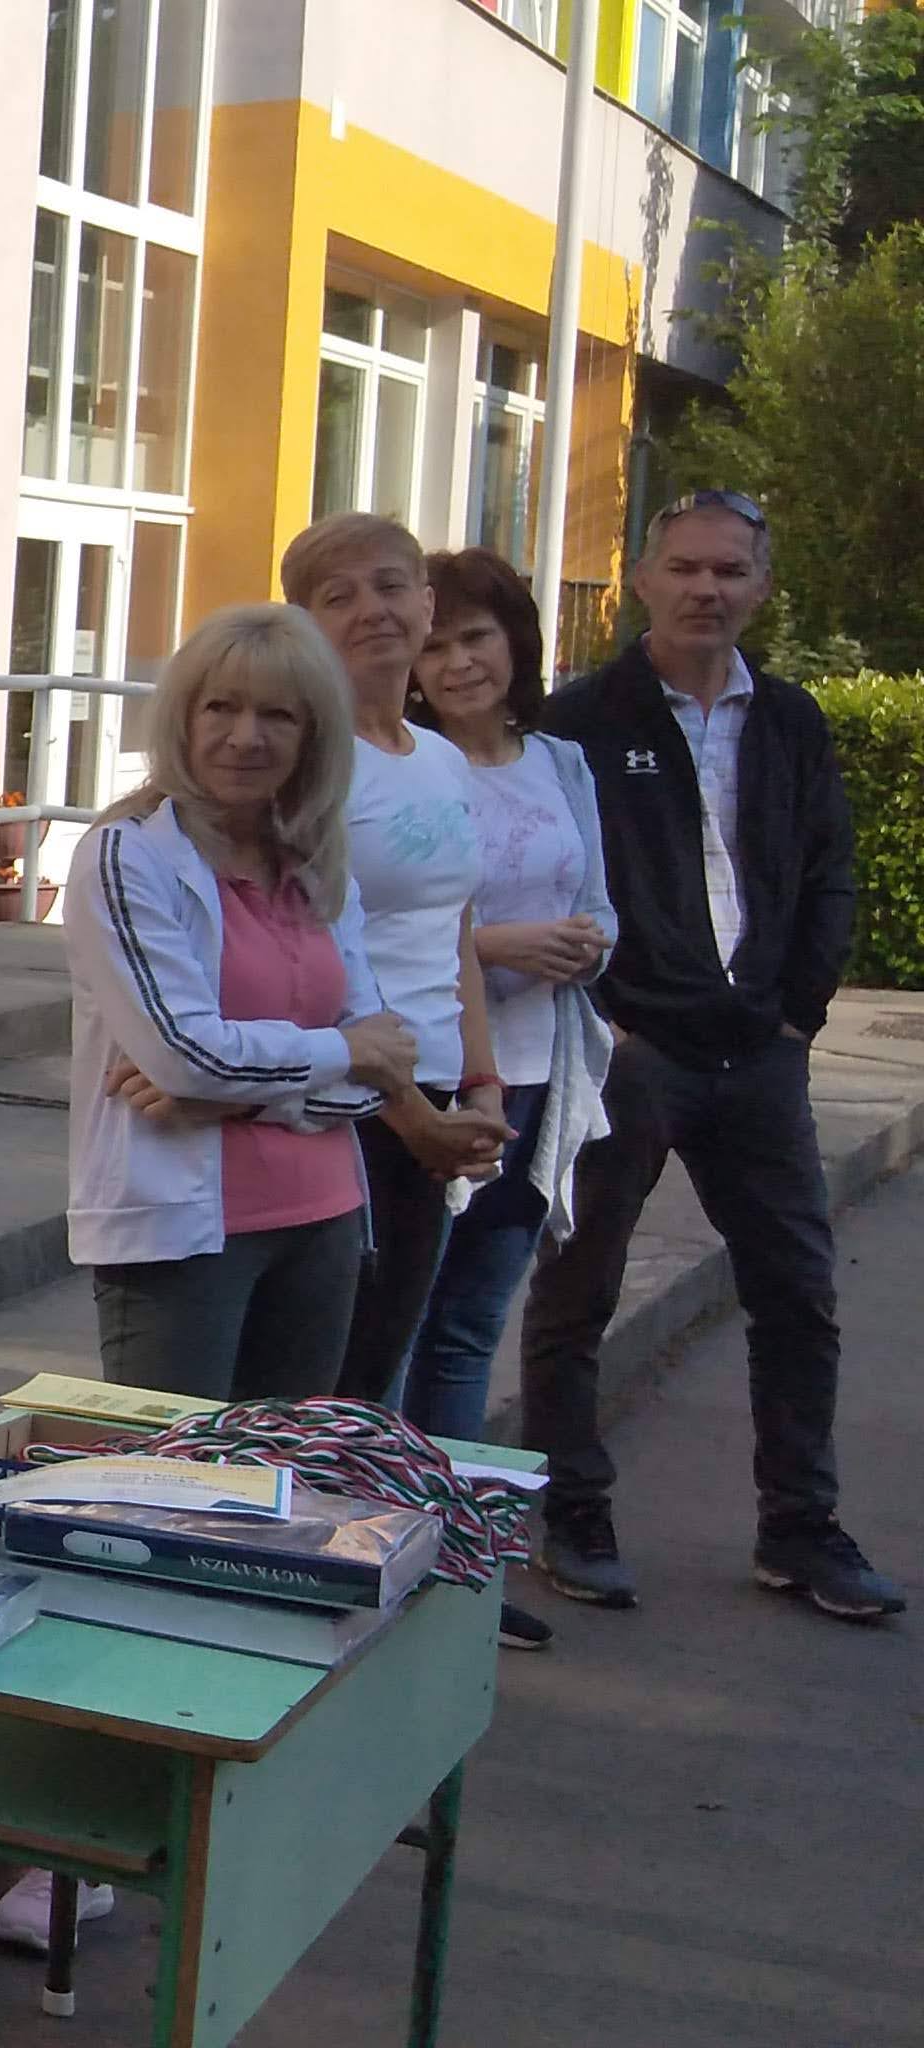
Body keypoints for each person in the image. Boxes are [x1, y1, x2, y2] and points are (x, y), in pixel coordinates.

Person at [13, 603, 420, 1952]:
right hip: (182, 1238)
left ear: (314, 735)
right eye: (220, 707)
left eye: (277, 714)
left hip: (319, 1222)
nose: (244, 736)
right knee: (147, 1531)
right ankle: (64, 1850)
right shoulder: (128, 853)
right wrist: (320, 1061)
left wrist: (263, 1077)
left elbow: (385, 1049)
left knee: (269, 1530)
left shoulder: (311, 861)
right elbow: (184, 1057)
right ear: (182, 716)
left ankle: (210, 1809)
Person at [516, 489, 903, 1623]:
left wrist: (797, 1015)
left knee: (797, 1295)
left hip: (758, 1057)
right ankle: (572, 1514)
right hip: (629, 1052)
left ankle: (799, 1527)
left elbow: (828, 869)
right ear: (641, 579)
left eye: (729, 570)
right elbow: (544, 875)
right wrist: (610, 1019)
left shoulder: (788, 720)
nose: (705, 589)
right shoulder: (578, 722)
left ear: (760, 588)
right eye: (684, 567)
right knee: (577, 1294)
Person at [382, 552, 612, 1646]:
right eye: (434, 645)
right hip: (434, 1079)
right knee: (401, 1320)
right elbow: (383, 927)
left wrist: (588, 944)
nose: (457, 662)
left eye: (475, 637)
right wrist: (502, 945)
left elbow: (599, 902)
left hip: (540, 1076)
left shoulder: (561, 762)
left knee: (472, 1326)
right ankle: (378, 1545)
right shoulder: (407, 766)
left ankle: (458, 1560)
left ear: (515, 641)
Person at [280, 515, 516, 1415]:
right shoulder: (307, 764)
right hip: (347, 1109)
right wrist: (411, 1116)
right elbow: (305, 958)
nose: (371, 610)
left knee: (380, 1377)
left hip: (437, 1100)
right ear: (304, 623)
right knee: (330, 1388)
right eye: (338, 597)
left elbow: (455, 934)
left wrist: (481, 1086)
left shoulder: (443, 760)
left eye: (389, 586)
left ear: (425, 603)